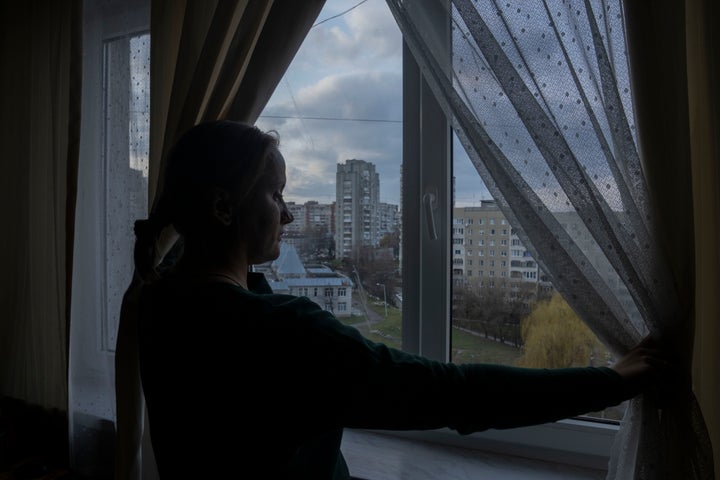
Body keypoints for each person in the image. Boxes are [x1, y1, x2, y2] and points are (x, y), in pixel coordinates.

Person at [134, 120, 674, 479]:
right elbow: (453, 394)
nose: (289, 213)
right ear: (224, 209)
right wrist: (611, 380)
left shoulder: (161, 296)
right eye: (276, 195)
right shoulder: (281, 333)